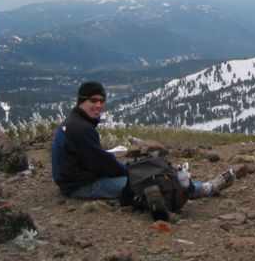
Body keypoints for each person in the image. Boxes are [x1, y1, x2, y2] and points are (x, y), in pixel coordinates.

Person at [52, 81, 235, 200]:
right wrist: (130, 172)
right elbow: (101, 163)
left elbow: (95, 160)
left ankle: (185, 184)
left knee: (141, 172)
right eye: (93, 100)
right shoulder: (82, 129)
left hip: (73, 181)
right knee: (144, 181)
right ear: (81, 101)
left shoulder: (73, 123)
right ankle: (202, 189)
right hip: (81, 187)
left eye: (102, 100)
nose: (99, 105)